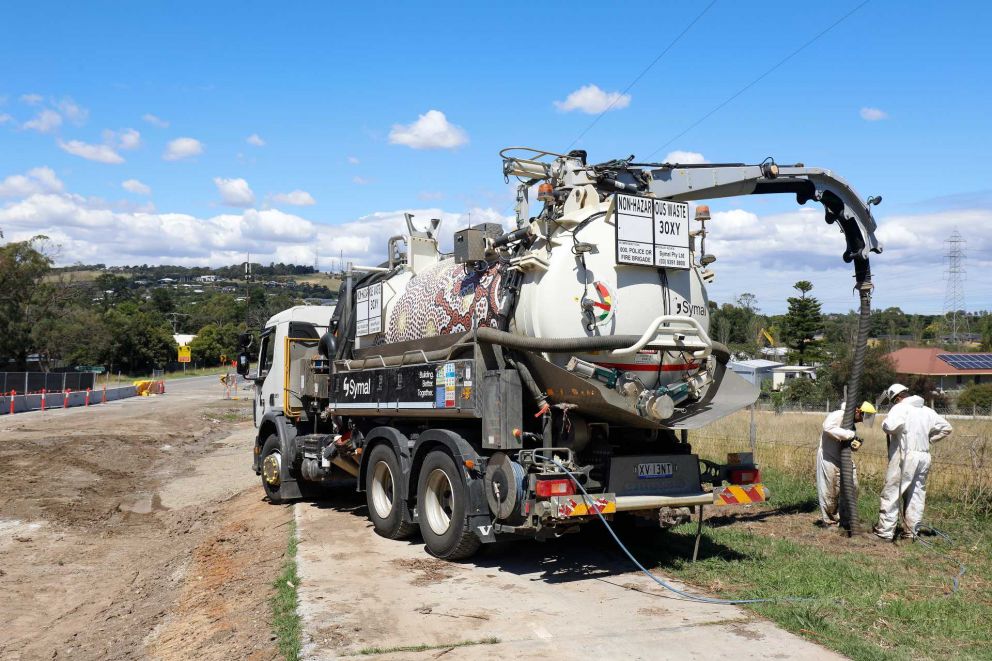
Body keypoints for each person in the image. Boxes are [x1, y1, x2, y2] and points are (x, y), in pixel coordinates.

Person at [874, 384, 953, 541]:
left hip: (905, 455)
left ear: (896, 398)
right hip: (924, 456)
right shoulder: (927, 410)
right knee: (916, 494)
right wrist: (929, 440)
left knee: (892, 493)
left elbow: (890, 426)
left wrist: (884, 423)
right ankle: (911, 533)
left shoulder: (900, 408)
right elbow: (947, 428)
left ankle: (884, 533)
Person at [816, 401, 876, 526]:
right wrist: (850, 435)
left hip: (844, 459)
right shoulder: (839, 414)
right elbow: (827, 427)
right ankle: (830, 522)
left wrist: (854, 445)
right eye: (864, 416)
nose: (863, 420)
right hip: (829, 457)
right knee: (830, 490)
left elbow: (846, 440)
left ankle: (846, 519)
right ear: (858, 411)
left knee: (852, 487)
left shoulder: (851, 424)